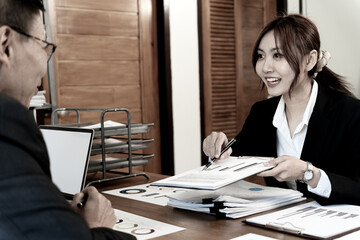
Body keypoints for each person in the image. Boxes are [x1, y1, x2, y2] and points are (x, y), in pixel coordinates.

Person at [0, 0, 135, 239]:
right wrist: (96, 227)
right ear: (5, 44)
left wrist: (56, 212)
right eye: (43, 45)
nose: (44, 69)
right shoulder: (8, 122)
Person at [203, 14, 360, 206]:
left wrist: (308, 173)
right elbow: (230, 159)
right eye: (261, 56)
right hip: (282, 225)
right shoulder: (262, 113)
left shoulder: (351, 113)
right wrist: (216, 148)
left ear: (309, 60)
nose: (265, 67)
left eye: (278, 55)